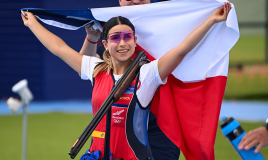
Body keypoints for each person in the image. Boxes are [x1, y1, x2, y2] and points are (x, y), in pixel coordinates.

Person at [21, 2, 230, 159]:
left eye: (127, 37)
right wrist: (33, 24)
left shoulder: (148, 74)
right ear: (105, 43)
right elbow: (59, 48)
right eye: (115, 37)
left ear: (135, 40)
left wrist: (211, 20)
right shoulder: (97, 69)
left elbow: (181, 50)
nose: (122, 43)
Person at [79, 0, 182, 159]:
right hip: (121, 129)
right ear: (120, 0)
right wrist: (91, 38)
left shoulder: (167, 26)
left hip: (161, 127)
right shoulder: (111, 26)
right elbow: (90, 65)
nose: (135, 0)